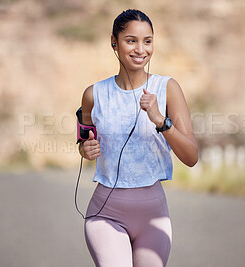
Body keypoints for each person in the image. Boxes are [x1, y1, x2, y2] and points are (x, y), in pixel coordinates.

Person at [78, 9, 198, 267]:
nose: (140, 49)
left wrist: (160, 121)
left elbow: (191, 157)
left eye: (147, 41)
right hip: (105, 213)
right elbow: (83, 137)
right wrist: (84, 149)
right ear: (114, 42)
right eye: (131, 40)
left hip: (153, 217)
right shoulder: (93, 95)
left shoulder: (168, 89)